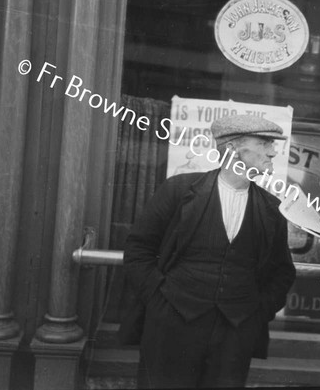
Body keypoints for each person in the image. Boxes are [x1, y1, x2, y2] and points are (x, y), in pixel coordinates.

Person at [120, 114, 296, 388]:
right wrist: (159, 301)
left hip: (235, 334)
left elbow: (282, 273)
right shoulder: (179, 190)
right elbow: (138, 250)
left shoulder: (273, 209)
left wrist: (256, 314)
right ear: (233, 148)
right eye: (263, 143)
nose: (272, 151)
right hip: (172, 327)